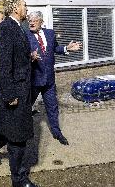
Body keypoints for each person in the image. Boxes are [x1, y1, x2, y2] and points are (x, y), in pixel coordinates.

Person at [0, 0, 38, 187]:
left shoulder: (17, 27)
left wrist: (28, 57)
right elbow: (2, 66)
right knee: (18, 139)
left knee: (9, 133)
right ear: (15, 8)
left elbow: (13, 58)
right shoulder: (6, 28)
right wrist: (10, 95)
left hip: (20, 90)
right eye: (25, 5)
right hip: (14, 93)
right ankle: (19, 180)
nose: (27, 8)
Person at [26, 11, 82, 145]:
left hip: (49, 80)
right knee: (26, 107)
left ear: (41, 21)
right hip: (34, 80)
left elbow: (55, 48)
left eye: (34, 20)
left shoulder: (50, 33)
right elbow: (20, 55)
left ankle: (57, 132)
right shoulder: (24, 35)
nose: (31, 22)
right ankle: (24, 133)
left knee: (52, 107)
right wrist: (29, 57)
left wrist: (66, 48)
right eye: (29, 20)